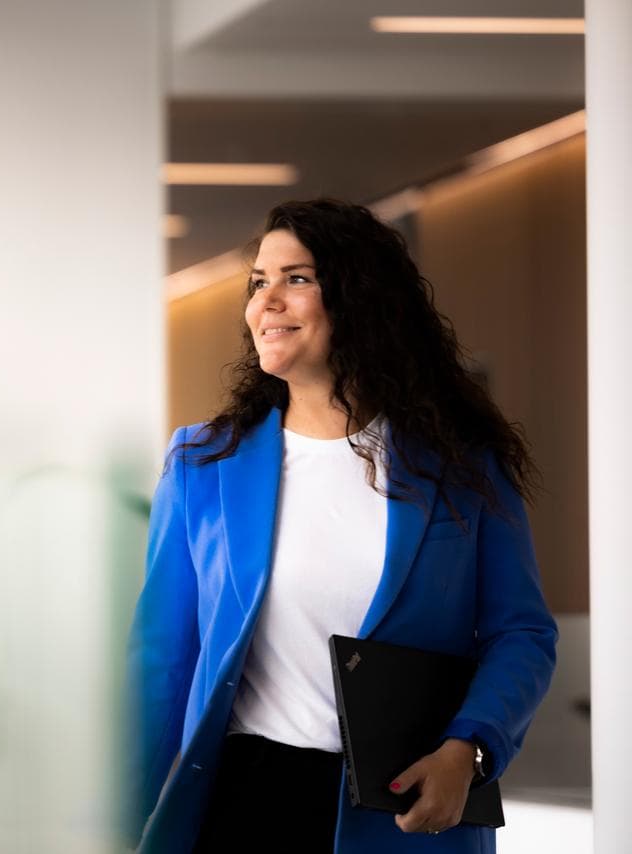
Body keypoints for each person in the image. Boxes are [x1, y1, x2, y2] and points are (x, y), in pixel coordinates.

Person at [122, 199, 558, 853]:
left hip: (406, 813)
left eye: (296, 278)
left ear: (360, 298)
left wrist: (468, 749)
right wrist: (119, 818)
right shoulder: (202, 465)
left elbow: (521, 633)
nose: (266, 301)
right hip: (242, 803)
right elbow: (162, 661)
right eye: (258, 282)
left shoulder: (464, 467)